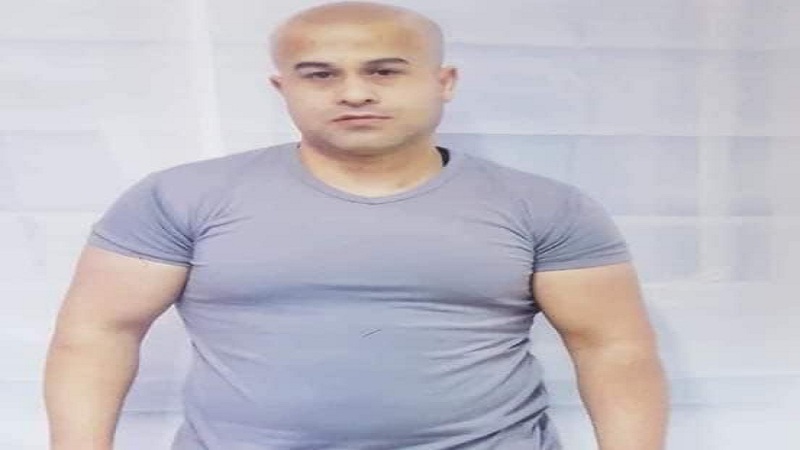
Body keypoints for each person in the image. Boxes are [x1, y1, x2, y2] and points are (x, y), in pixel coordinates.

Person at [44, 2, 668, 449]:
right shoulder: (180, 196)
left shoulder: (545, 207)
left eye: (384, 71)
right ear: (282, 87)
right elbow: (97, 334)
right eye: (320, 74)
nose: (354, 93)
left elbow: (613, 350)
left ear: (443, 82)